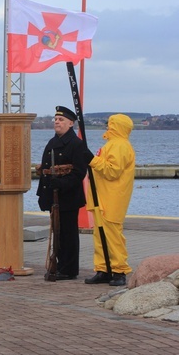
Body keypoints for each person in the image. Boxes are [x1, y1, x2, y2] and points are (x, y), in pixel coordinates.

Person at [84, 114, 136, 287]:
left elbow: (112, 171)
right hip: (102, 197)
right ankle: (103, 268)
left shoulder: (120, 146)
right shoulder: (112, 144)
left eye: (110, 124)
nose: (107, 127)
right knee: (100, 235)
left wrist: (92, 160)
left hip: (112, 198)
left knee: (113, 236)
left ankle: (119, 271)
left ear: (117, 126)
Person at [36, 105, 87, 280]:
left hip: (68, 197)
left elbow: (79, 172)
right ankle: (59, 265)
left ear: (70, 123)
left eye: (61, 120)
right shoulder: (52, 142)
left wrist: (61, 183)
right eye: (56, 119)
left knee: (68, 234)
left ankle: (69, 269)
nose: (57, 122)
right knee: (57, 232)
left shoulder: (76, 144)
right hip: (53, 195)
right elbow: (46, 169)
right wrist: (42, 194)